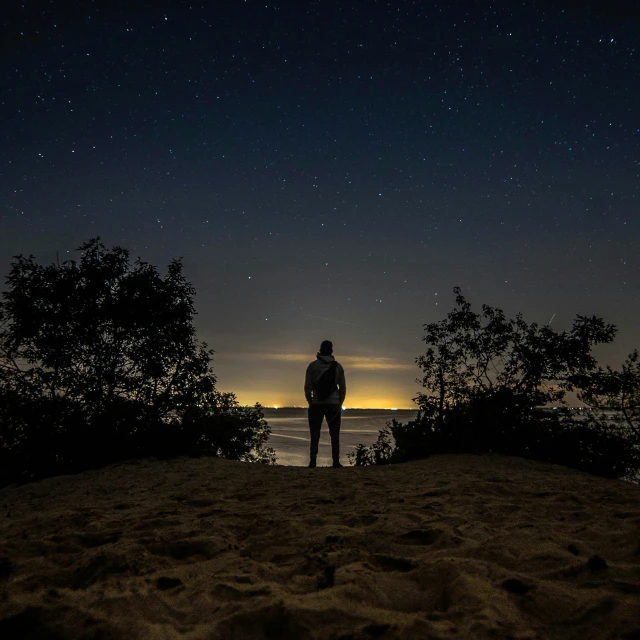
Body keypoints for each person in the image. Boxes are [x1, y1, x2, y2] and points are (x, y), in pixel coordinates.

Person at [304, 340, 347, 468]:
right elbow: (343, 389)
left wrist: (310, 402)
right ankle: (335, 461)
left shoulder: (312, 366)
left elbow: (307, 387)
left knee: (314, 433)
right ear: (331, 351)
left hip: (317, 404)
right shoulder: (338, 367)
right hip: (333, 404)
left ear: (320, 350)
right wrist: (340, 403)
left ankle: (313, 461)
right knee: (334, 434)